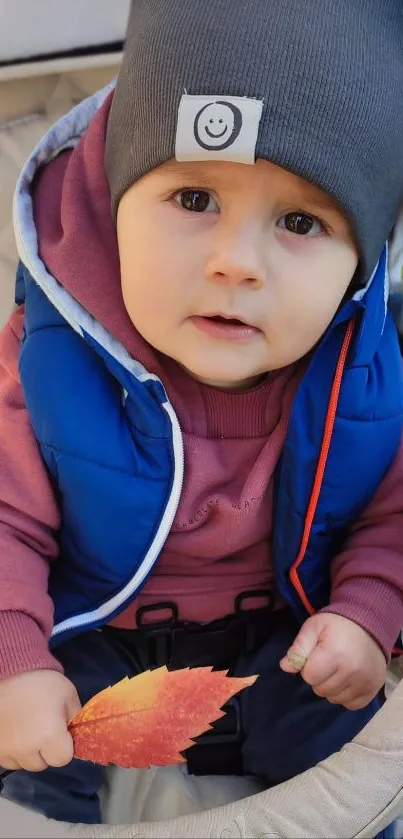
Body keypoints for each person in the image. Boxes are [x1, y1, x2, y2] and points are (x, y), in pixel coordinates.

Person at [0, 0, 403, 828]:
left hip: (290, 639)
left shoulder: (366, 368)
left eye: (299, 221)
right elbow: (4, 521)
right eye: (192, 197)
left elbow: (394, 512)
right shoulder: (45, 356)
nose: (234, 263)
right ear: (111, 202)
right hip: (88, 641)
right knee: (24, 759)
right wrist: (14, 658)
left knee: (365, 755)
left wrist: (367, 611)